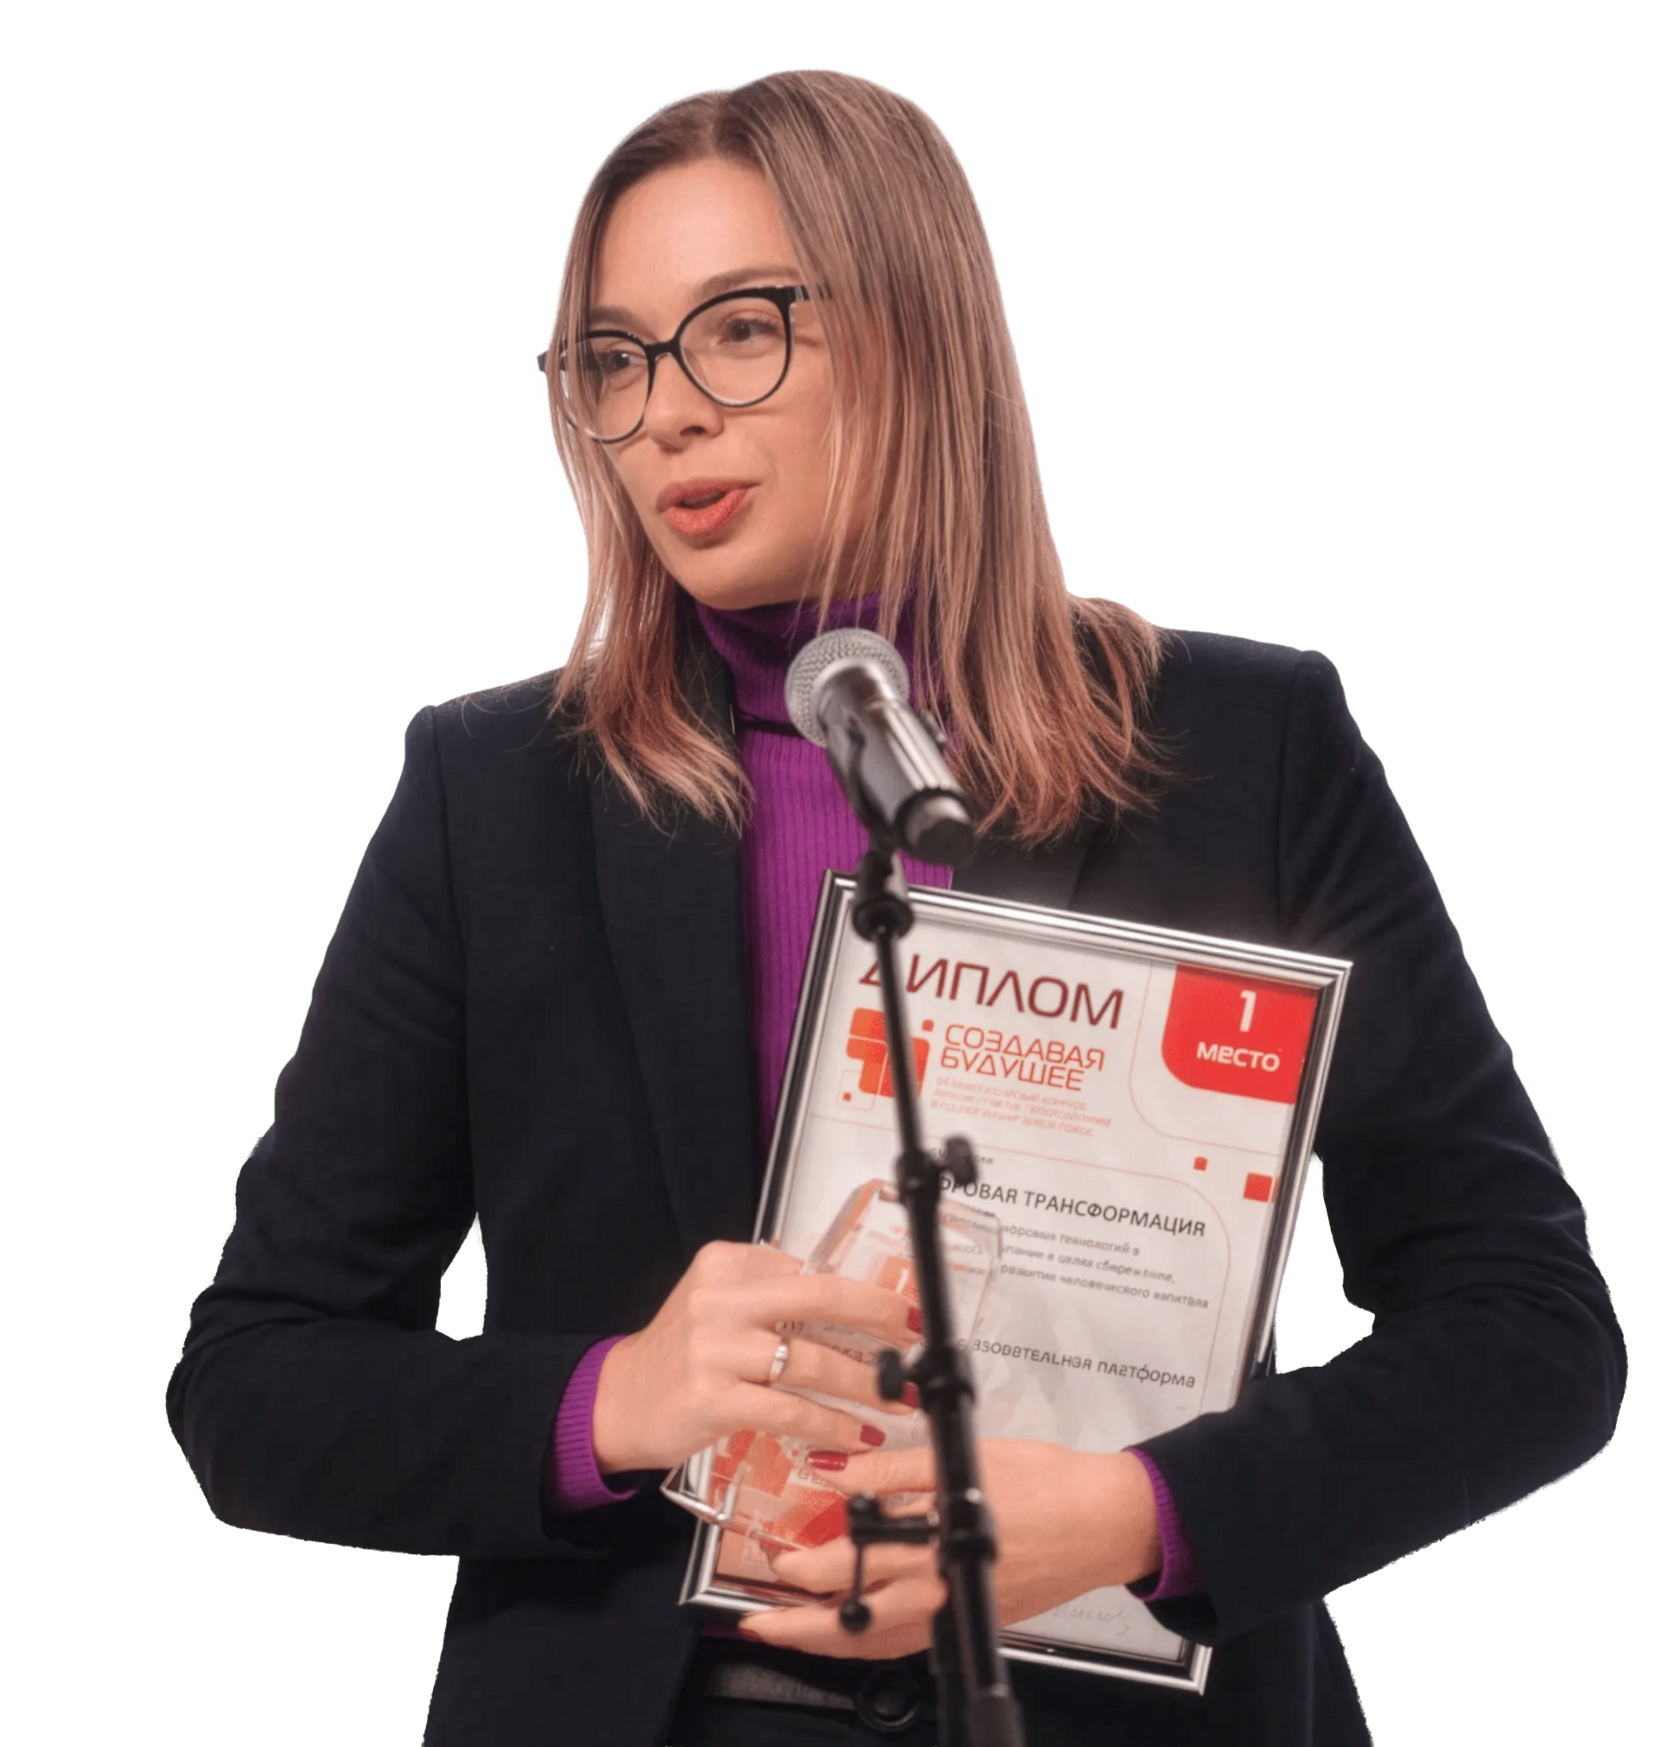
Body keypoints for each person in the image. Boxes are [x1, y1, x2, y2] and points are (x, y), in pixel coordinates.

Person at [165, 68, 1624, 1746]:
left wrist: (1147, 1515)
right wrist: (611, 1398)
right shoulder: (492, 792)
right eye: (615, 360)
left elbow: (1530, 1330)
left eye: (740, 329)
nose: (667, 415)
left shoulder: (1250, 747)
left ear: (916, 337)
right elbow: (252, 1380)